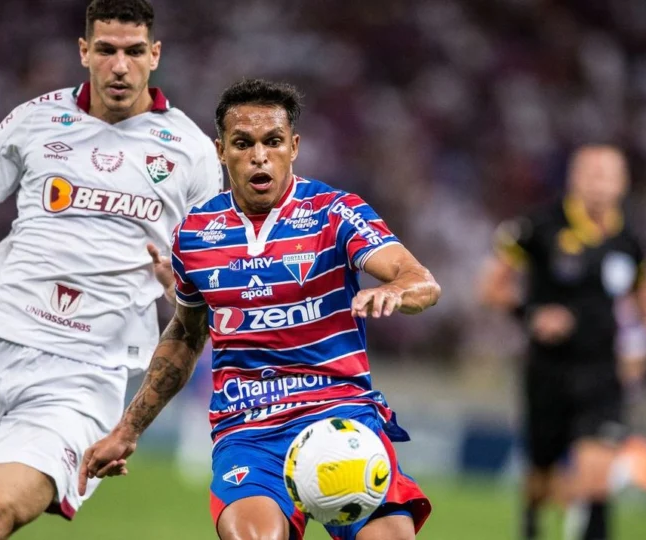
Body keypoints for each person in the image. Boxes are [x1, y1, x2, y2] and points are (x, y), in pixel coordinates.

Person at [0, 1, 224, 538]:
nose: (120, 66)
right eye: (107, 50)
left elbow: (212, 268)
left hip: (84, 370)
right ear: (84, 51)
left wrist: (179, 283)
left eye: (134, 51)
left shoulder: (192, 152)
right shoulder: (35, 118)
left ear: (155, 55)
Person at [79, 78, 442, 540]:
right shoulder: (194, 235)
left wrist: (396, 292)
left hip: (341, 417)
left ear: (293, 147)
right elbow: (187, 335)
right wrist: (128, 430)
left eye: (272, 142)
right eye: (242, 143)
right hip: (250, 431)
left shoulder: (335, 213)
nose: (258, 155)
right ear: (220, 149)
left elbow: (420, 280)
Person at [479, 145, 646, 540]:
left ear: (623, 183)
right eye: (591, 173)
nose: (599, 182)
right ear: (573, 178)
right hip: (548, 371)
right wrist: (532, 314)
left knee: (595, 479)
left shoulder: (633, 241)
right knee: (541, 476)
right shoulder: (538, 226)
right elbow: (491, 288)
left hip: (602, 374)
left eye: (608, 174)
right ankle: (532, 521)